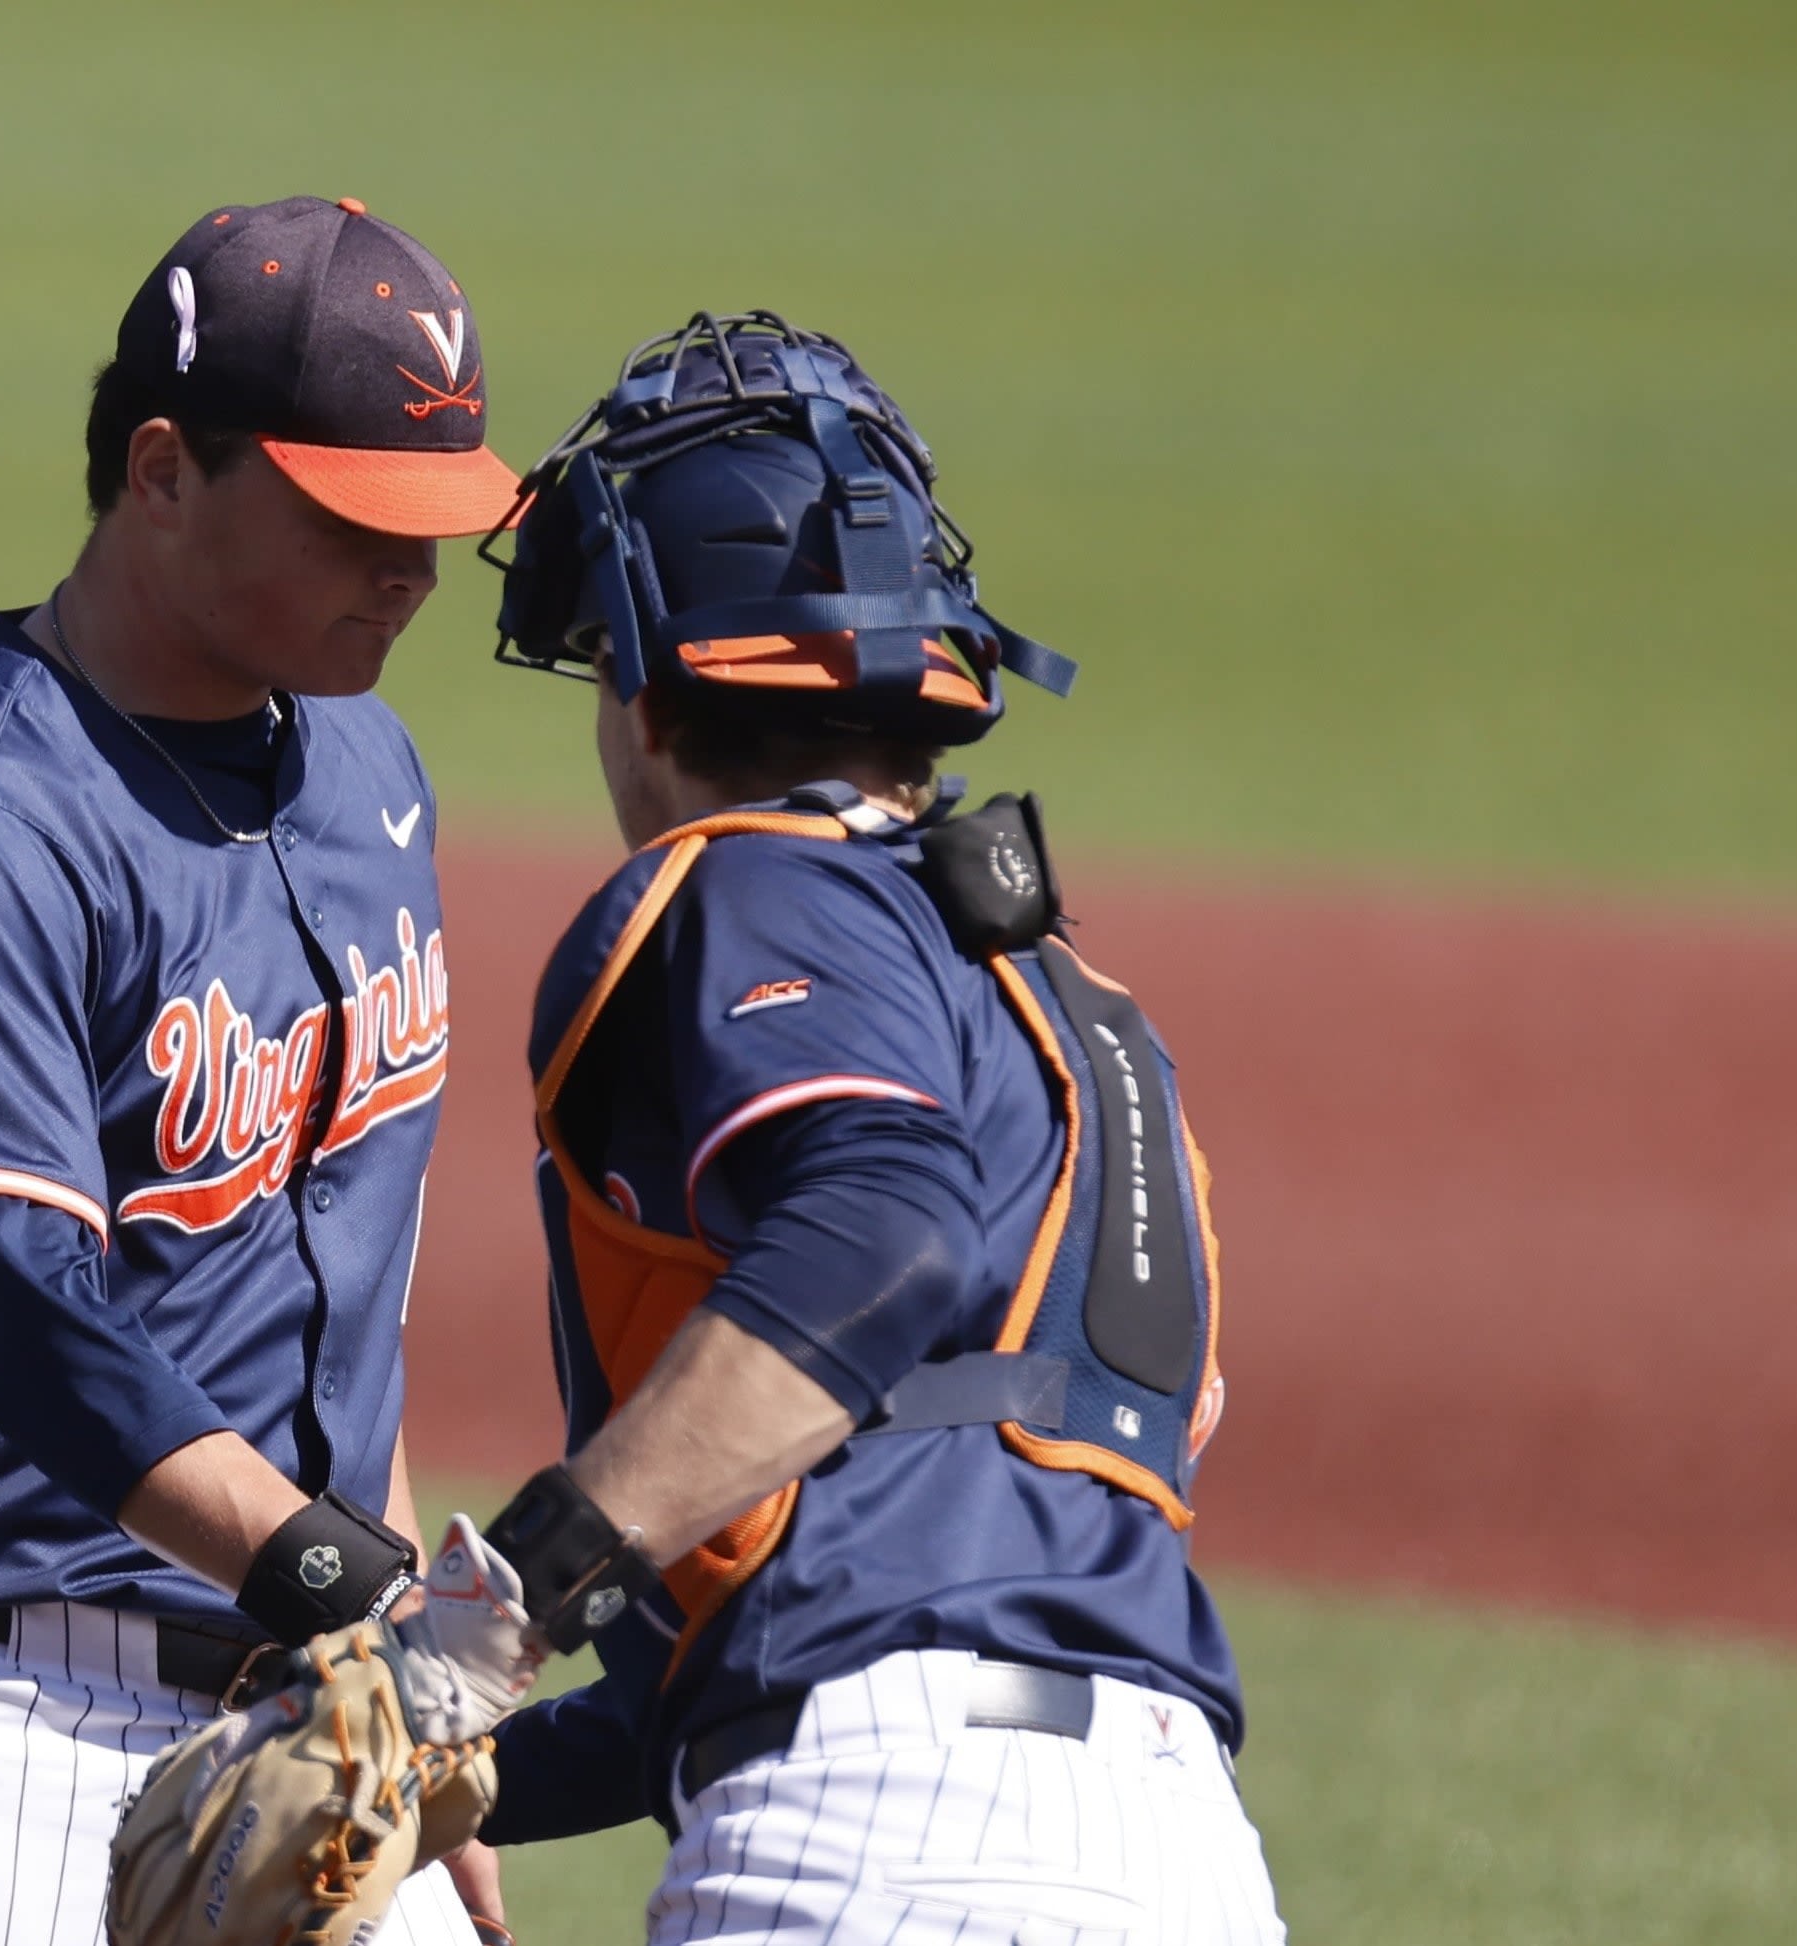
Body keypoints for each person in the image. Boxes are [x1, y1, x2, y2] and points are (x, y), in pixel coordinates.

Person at [0, 196, 524, 1946]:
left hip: (299, 1690)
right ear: (160, 470)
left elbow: (332, 1259)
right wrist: (361, 1606)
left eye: (435, 524)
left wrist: (418, 1715)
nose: (409, 575)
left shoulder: (367, 764)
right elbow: (22, 1312)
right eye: (351, 519)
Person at [451, 312, 1288, 1943]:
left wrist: (491, 1611)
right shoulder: (1073, 1011)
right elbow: (805, 1596)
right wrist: (454, 1771)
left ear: (639, 683)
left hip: (879, 1852)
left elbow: (879, 1231)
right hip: (1175, 1852)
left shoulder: (754, 885)